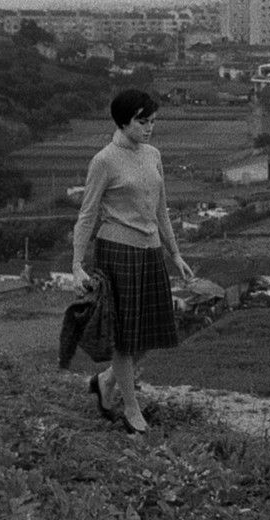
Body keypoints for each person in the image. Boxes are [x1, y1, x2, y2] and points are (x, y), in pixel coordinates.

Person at [72, 89, 192, 434]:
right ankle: (130, 407)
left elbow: (161, 209)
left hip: (151, 251)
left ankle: (106, 380)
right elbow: (87, 213)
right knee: (124, 337)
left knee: (150, 334)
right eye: (142, 121)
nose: (149, 127)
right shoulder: (104, 160)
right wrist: (77, 264)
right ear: (123, 121)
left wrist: (176, 253)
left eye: (153, 121)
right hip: (117, 251)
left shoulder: (153, 154)